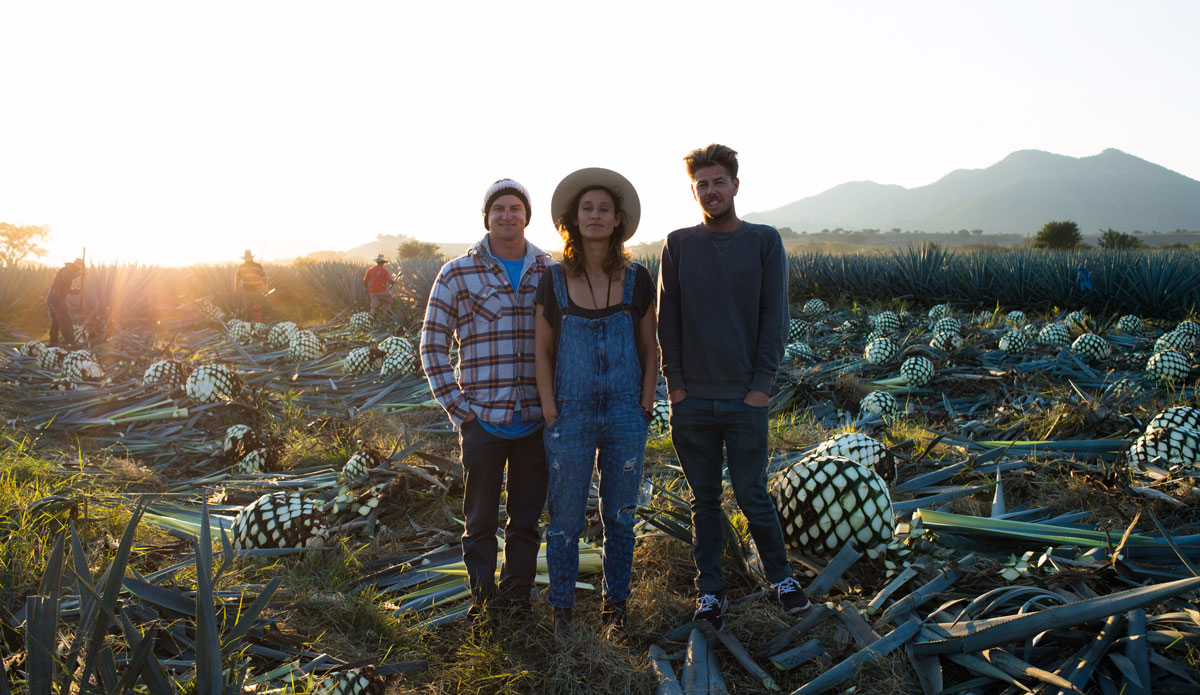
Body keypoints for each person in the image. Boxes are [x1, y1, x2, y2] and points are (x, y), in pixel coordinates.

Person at [658, 144, 810, 631]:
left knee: (751, 492)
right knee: (704, 499)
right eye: (701, 184)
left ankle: (781, 578)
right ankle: (711, 592)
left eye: (718, 181)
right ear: (693, 191)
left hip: (746, 397)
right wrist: (676, 386)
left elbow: (774, 317)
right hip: (693, 400)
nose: (710, 190)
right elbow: (668, 322)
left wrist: (761, 387)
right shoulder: (678, 244)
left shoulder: (764, 241)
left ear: (735, 186)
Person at [420, 179, 553, 619]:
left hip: (536, 419)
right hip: (482, 422)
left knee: (526, 521)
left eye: (516, 207)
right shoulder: (457, 272)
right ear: (487, 217)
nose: (507, 215)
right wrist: (461, 412)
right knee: (479, 522)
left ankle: (516, 601)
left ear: (526, 216)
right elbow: (432, 344)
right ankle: (483, 599)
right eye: (499, 208)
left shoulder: (548, 270)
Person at [535, 168, 656, 636]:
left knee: (620, 516)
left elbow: (651, 348)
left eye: (604, 208)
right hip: (570, 411)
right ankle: (561, 607)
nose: (595, 215)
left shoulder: (636, 278)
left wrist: (645, 404)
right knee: (564, 517)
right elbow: (542, 352)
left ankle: (615, 608)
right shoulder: (554, 279)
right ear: (573, 218)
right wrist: (549, 407)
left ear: (618, 219)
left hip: (627, 410)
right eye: (587, 208)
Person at [47, 258, 85, 347]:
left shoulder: (68, 271)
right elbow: (67, 277)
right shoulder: (66, 270)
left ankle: (53, 341)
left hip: (53, 299)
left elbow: (66, 289)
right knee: (65, 320)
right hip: (57, 299)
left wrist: (77, 291)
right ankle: (70, 341)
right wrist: (80, 273)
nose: (79, 270)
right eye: (79, 269)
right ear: (76, 266)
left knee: (55, 322)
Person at [234, 250, 269, 323]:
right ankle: (248, 324)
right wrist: (236, 288)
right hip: (246, 291)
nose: (248, 259)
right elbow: (237, 279)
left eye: (248, 257)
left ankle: (258, 324)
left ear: (251, 257)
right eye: (246, 257)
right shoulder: (241, 267)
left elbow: (264, 278)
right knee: (248, 308)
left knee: (257, 307)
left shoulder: (258, 266)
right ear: (245, 258)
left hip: (257, 291)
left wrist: (266, 288)